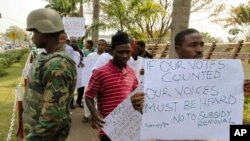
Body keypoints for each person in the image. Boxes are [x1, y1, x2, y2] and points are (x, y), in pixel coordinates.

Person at [22, 8, 77, 141]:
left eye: (34, 31)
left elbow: (53, 119)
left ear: (44, 31)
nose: (33, 36)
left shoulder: (57, 65)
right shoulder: (48, 58)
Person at [85, 31, 144, 141]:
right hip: (108, 129)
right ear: (112, 51)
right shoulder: (100, 73)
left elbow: (135, 94)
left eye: (128, 52)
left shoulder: (131, 73)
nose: (125, 56)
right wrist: (94, 113)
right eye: (120, 52)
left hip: (127, 128)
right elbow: (88, 96)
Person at [70, 38, 84, 108]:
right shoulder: (68, 50)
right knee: (71, 88)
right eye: (73, 42)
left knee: (81, 87)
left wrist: (81, 60)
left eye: (75, 42)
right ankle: (71, 103)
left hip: (79, 71)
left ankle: (79, 101)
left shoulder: (80, 51)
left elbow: (83, 61)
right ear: (70, 42)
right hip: (71, 71)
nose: (74, 43)